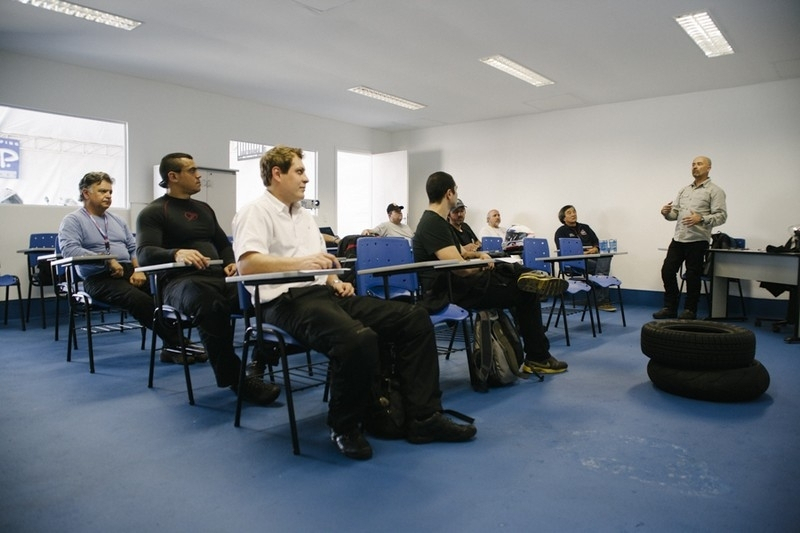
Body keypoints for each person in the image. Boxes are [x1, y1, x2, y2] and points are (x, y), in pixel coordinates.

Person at [231, 145, 476, 460]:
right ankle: (344, 426)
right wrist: (304, 263)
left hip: (320, 295)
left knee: (413, 319)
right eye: (299, 171)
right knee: (358, 339)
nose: (306, 178)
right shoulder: (255, 211)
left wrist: (335, 280)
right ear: (277, 174)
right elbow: (247, 265)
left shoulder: (306, 217)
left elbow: (320, 267)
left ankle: (424, 417)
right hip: (281, 302)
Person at [136, 152, 279, 405]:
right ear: (173, 176)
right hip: (179, 283)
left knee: (264, 295)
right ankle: (237, 380)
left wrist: (231, 263)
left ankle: (259, 361)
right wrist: (176, 252)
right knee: (211, 307)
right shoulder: (154, 212)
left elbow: (223, 244)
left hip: (216, 278)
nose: (198, 175)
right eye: (192, 170)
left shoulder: (204, 209)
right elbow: (144, 254)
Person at [413, 171, 569, 375]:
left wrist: (480, 254)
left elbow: (460, 253)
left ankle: (531, 277)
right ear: (449, 193)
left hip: (458, 285)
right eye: (456, 190)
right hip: (450, 292)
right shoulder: (432, 223)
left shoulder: (439, 222)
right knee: (525, 290)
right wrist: (482, 265)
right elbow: (463, 269)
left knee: (517, 279)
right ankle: (538, 357)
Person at [58, 171, 205, 364]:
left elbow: (133, 248)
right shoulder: (73, 220)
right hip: (99, 278)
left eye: (110, 191)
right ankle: (179, 344)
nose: (109, 196)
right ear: (86, 193)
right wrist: (106, 260)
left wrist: (139, 270)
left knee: (167, 291)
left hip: (129, 271)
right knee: (139, 300)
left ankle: (171, 347)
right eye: (103, 191)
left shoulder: (117, 220)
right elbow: (70, 250)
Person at [654, 156, 727, 320]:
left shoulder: (715, 191)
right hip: (679, 238)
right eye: (693, 164)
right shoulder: (684, 190)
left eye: (699, 164)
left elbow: (721, 216)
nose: (695, 167)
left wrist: (701, 218)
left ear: (709, 168)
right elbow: (675, 214)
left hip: (698, 239)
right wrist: (666, 213)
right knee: (667, 271)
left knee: (693, 276)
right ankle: (670, 307)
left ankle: (690, 310)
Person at [554, 205, 616, 312]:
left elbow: (596, 242)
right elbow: (563, 249)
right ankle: (602, 300)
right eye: (569, 213)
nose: (573, 214)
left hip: (592, 257)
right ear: (563, 218)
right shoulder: (561, 231)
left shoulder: (585, 227)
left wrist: (595, 248)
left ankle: (600, 294)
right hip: (574, 261)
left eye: (574, 211)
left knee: (606, 256)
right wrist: (582, 253)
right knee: (601, 269)